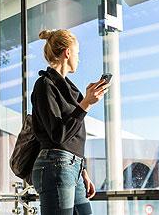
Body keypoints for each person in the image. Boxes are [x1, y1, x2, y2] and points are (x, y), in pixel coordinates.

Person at [31, 29, 109, 215]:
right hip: (55, 166)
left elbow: (73, 137)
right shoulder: (44, 85)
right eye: (77, 53)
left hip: (72, 168)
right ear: (67, 52)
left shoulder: (70, 89)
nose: (79, 59)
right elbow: (59, 135)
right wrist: (86, 104)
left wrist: (82, 171)